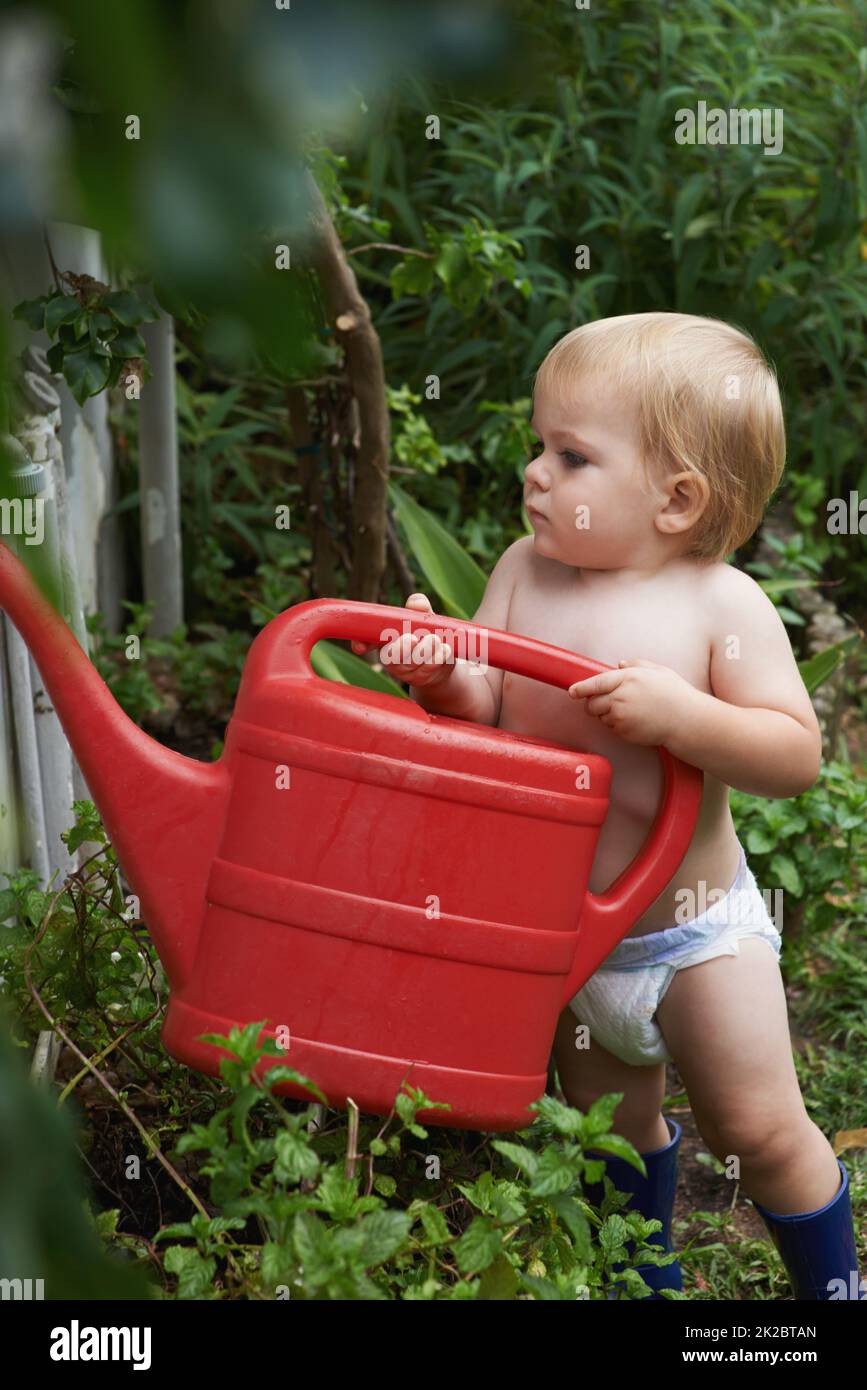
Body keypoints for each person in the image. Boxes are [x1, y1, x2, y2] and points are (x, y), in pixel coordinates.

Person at [352, 311, 863, 1301]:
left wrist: (683, 716)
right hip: (576, 943)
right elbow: (487, 704)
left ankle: (834, 1288)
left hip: (694, 935)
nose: (536, 472)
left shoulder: (720, 605)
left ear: (677, 499)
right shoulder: (519, 572)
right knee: (614, 1135)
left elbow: (793, 754)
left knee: (756, 1128)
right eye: (538, 446)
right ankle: (648, 1281)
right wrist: (439, 675)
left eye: (572, 455)